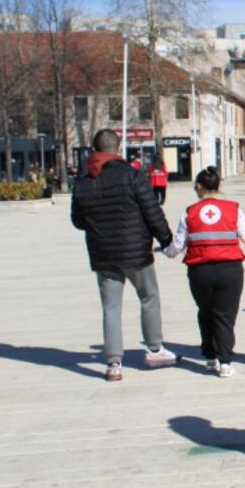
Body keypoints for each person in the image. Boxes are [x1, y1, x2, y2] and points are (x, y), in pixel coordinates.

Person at [70, 129, 177, 382]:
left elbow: (77, 220)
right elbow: (152, 211)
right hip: (136, 252)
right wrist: (167, 240)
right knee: (149, 297)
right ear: (117, 149)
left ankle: (114, 363)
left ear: (94, 150)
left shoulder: (84, 180)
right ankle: (154, 349)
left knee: (110, 308)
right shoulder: (132, 175)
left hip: (103, 253)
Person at [164, 167, 245, 377]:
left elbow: (177, 245)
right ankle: (225, 361)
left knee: (205, 312)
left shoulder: (189, 212)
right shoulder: (233, 208)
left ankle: (210, 356)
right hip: (229, 270)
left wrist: (167, 252)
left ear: (199, 187)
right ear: (218, 185)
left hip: (199, 271)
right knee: (225, 316)